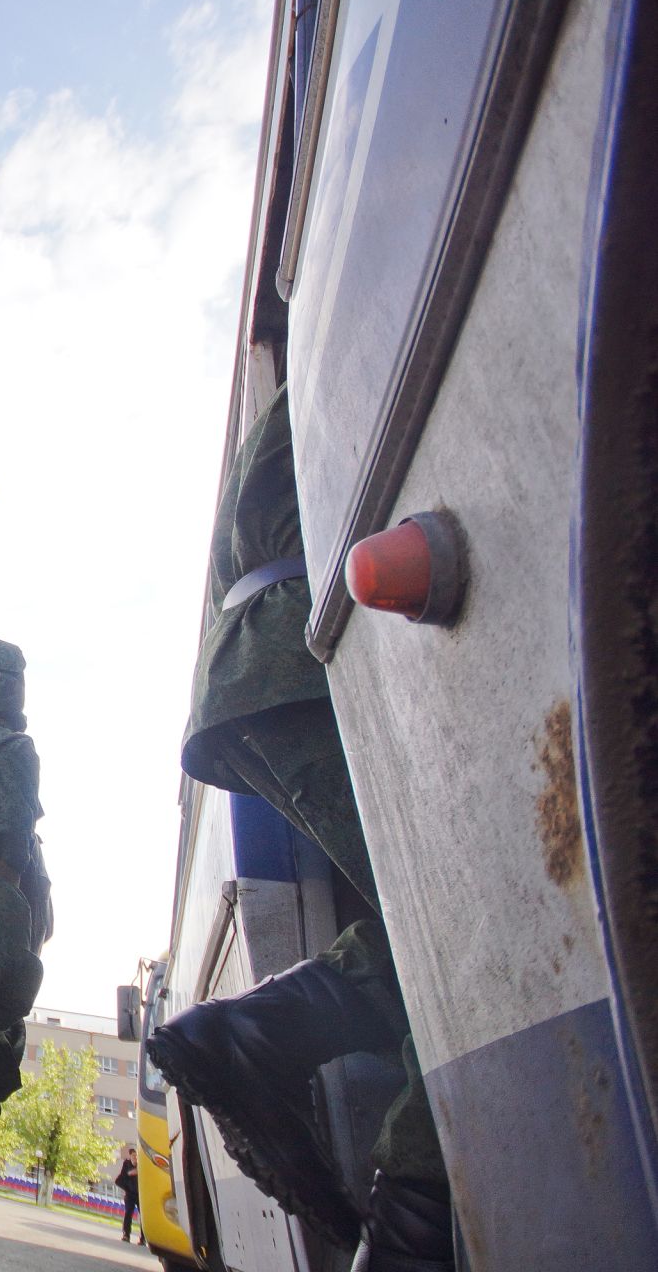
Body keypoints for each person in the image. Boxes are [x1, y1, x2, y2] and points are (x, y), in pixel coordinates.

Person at [149, 384, 451, 1269]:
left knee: (440, 932)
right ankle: (414, 1235)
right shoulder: (333, 332)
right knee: (488, 942)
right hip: (308, 646)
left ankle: (255, 1036)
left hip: (276, 663)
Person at [116, 1147, 141, 1243]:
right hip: (130, 1194)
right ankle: (126, 1234)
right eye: (133, 1156)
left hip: (140, 1195)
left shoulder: (142, 1165)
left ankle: (143, 1238)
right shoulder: (126, 1164)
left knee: (143, 1217)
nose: (135, 1158)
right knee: (128, 1214)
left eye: (136, 1156)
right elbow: (119, 1180)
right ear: (130, 1156)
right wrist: (129, 1175)